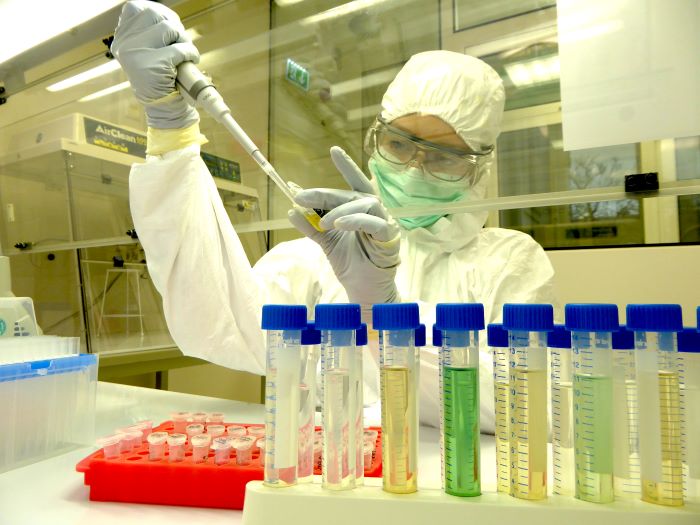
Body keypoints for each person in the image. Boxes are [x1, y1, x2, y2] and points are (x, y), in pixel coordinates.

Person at [113, 1, 555, 431]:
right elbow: (218, 323)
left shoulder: (512, 263)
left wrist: (385, 315)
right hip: (334, 482)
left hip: (461, 493)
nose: (414, 168)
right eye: (399, 144)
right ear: (374, 139)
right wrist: (171, 130)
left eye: (443, 156)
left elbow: (524, 404)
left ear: (479, 167)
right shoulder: (321, 255)